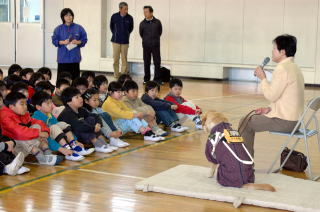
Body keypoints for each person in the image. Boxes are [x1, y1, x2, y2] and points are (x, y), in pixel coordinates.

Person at [239, 34, 304, 157]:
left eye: (274, 48)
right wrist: (269, 109)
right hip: (295, 121)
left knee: (245, 122)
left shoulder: (282, 69)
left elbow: (271, 96)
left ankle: (244, 164)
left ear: (282, 52)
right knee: (247, 120)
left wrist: (263, 78)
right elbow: (283, 97)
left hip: (285, 122)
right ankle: (245, 162)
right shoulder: (294, 67)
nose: (272, 51)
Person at [0, 92, 64, 165]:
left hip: (26, 146)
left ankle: (47, 152)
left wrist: (45, 131)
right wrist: (38, 133)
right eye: (22, 104)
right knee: (22, 136)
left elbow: (38, 122)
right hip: (14, 148)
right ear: (11, 106)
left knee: (36, 126)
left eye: (26, 104)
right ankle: (42, 158)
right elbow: (18, 132)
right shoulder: (5, 116)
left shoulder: (23, 114)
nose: (25, 106)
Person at [58, 87, 115, 153]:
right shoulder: (67, 113)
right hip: (70, 139)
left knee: (91, 119)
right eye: (77, 97)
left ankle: (103, 143)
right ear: (68, 102)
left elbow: (95, 116)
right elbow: (79, 126)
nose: (80, 99)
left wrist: (98, 124)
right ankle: (97, 144)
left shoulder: (81, 109)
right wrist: (93, 128)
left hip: (81, 135)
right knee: (82, 125)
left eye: (80, 96)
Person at [52, 8, 88, 80]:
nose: (69, 17)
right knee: (62, 80)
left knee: (75, 80)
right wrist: (63, 42)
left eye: (70, 15)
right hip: (63, 59)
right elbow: (54, 41)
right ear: (63, 17)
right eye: (66, 15)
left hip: (74, 58)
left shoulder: (79, 28)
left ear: (73, 16)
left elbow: (84, 40)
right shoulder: (58, 29)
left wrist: (77, 42)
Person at [110, 2, 134, 79]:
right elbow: (111, 27)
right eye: (125, 9)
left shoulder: (130, 18)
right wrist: (116, 34)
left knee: (124, 59)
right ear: (120, 9)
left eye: (127, 9)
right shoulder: (114, 16)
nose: (126, 11)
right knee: (116, 59)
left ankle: (123, 76)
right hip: (116, 41)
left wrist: (126, 34)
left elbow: (130, 28)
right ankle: (116, 75)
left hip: (125, 42)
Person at [139, 6, 162, 84]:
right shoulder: (142, 24)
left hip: (155, 45)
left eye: (146, 12)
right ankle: (146, 79)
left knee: (157, 62)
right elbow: (141, 34)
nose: (145, 13)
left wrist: (154, 40)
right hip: (146, 46)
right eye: (144, 12)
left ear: (151, 12)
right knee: (146, 62)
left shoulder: (157, 22)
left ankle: (157, 79)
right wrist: (146, 41)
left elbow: (160, 32)